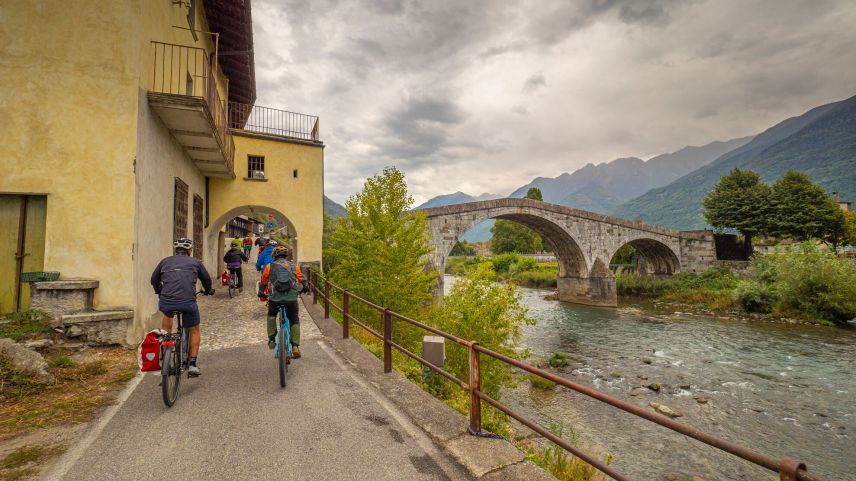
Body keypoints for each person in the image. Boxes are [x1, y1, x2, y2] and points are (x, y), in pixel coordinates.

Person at [150, 238, 214, 377]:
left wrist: (159, 290)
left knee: (167, 315)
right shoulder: (196, 262)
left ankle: (165, 343)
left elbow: (154, 279)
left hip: (166, 301)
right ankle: (192, 364)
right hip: (188, 302)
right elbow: (206, 279)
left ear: (175, 250)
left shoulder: (165, 261)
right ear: (189, 251)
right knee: (195, 329)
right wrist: (208, 290)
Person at [260, 245, 309, 358]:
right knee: (294, 319)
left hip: (275, 298)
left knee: (271, 315)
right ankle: (295, 346)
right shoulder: (293, 266)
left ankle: (272, 339)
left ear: (274, 255)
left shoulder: (269, 266)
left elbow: (264, 281)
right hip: (291, 298)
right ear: (286, 255)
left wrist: (261, 292)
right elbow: (302, 279)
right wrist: (305, 287)